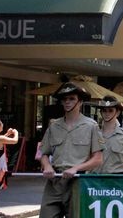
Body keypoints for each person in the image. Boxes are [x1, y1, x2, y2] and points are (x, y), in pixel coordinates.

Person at [39, 82, 104, 218]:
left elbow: (98, 159)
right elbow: (44, 153)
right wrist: (47, 166)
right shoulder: (54, 125)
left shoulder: (91, 126)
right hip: (55, 181)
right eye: (65, 99)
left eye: (72, 98)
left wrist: (76, 168)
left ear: (80, 102)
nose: (67, 102)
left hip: (78, 180)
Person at [95, 96, 123, 174]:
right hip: (96, 179)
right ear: (101, 112)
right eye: (104, 111)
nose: (107, 113)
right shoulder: (94, 133)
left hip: (117, 179)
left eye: (110, 111)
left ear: (117, 112)